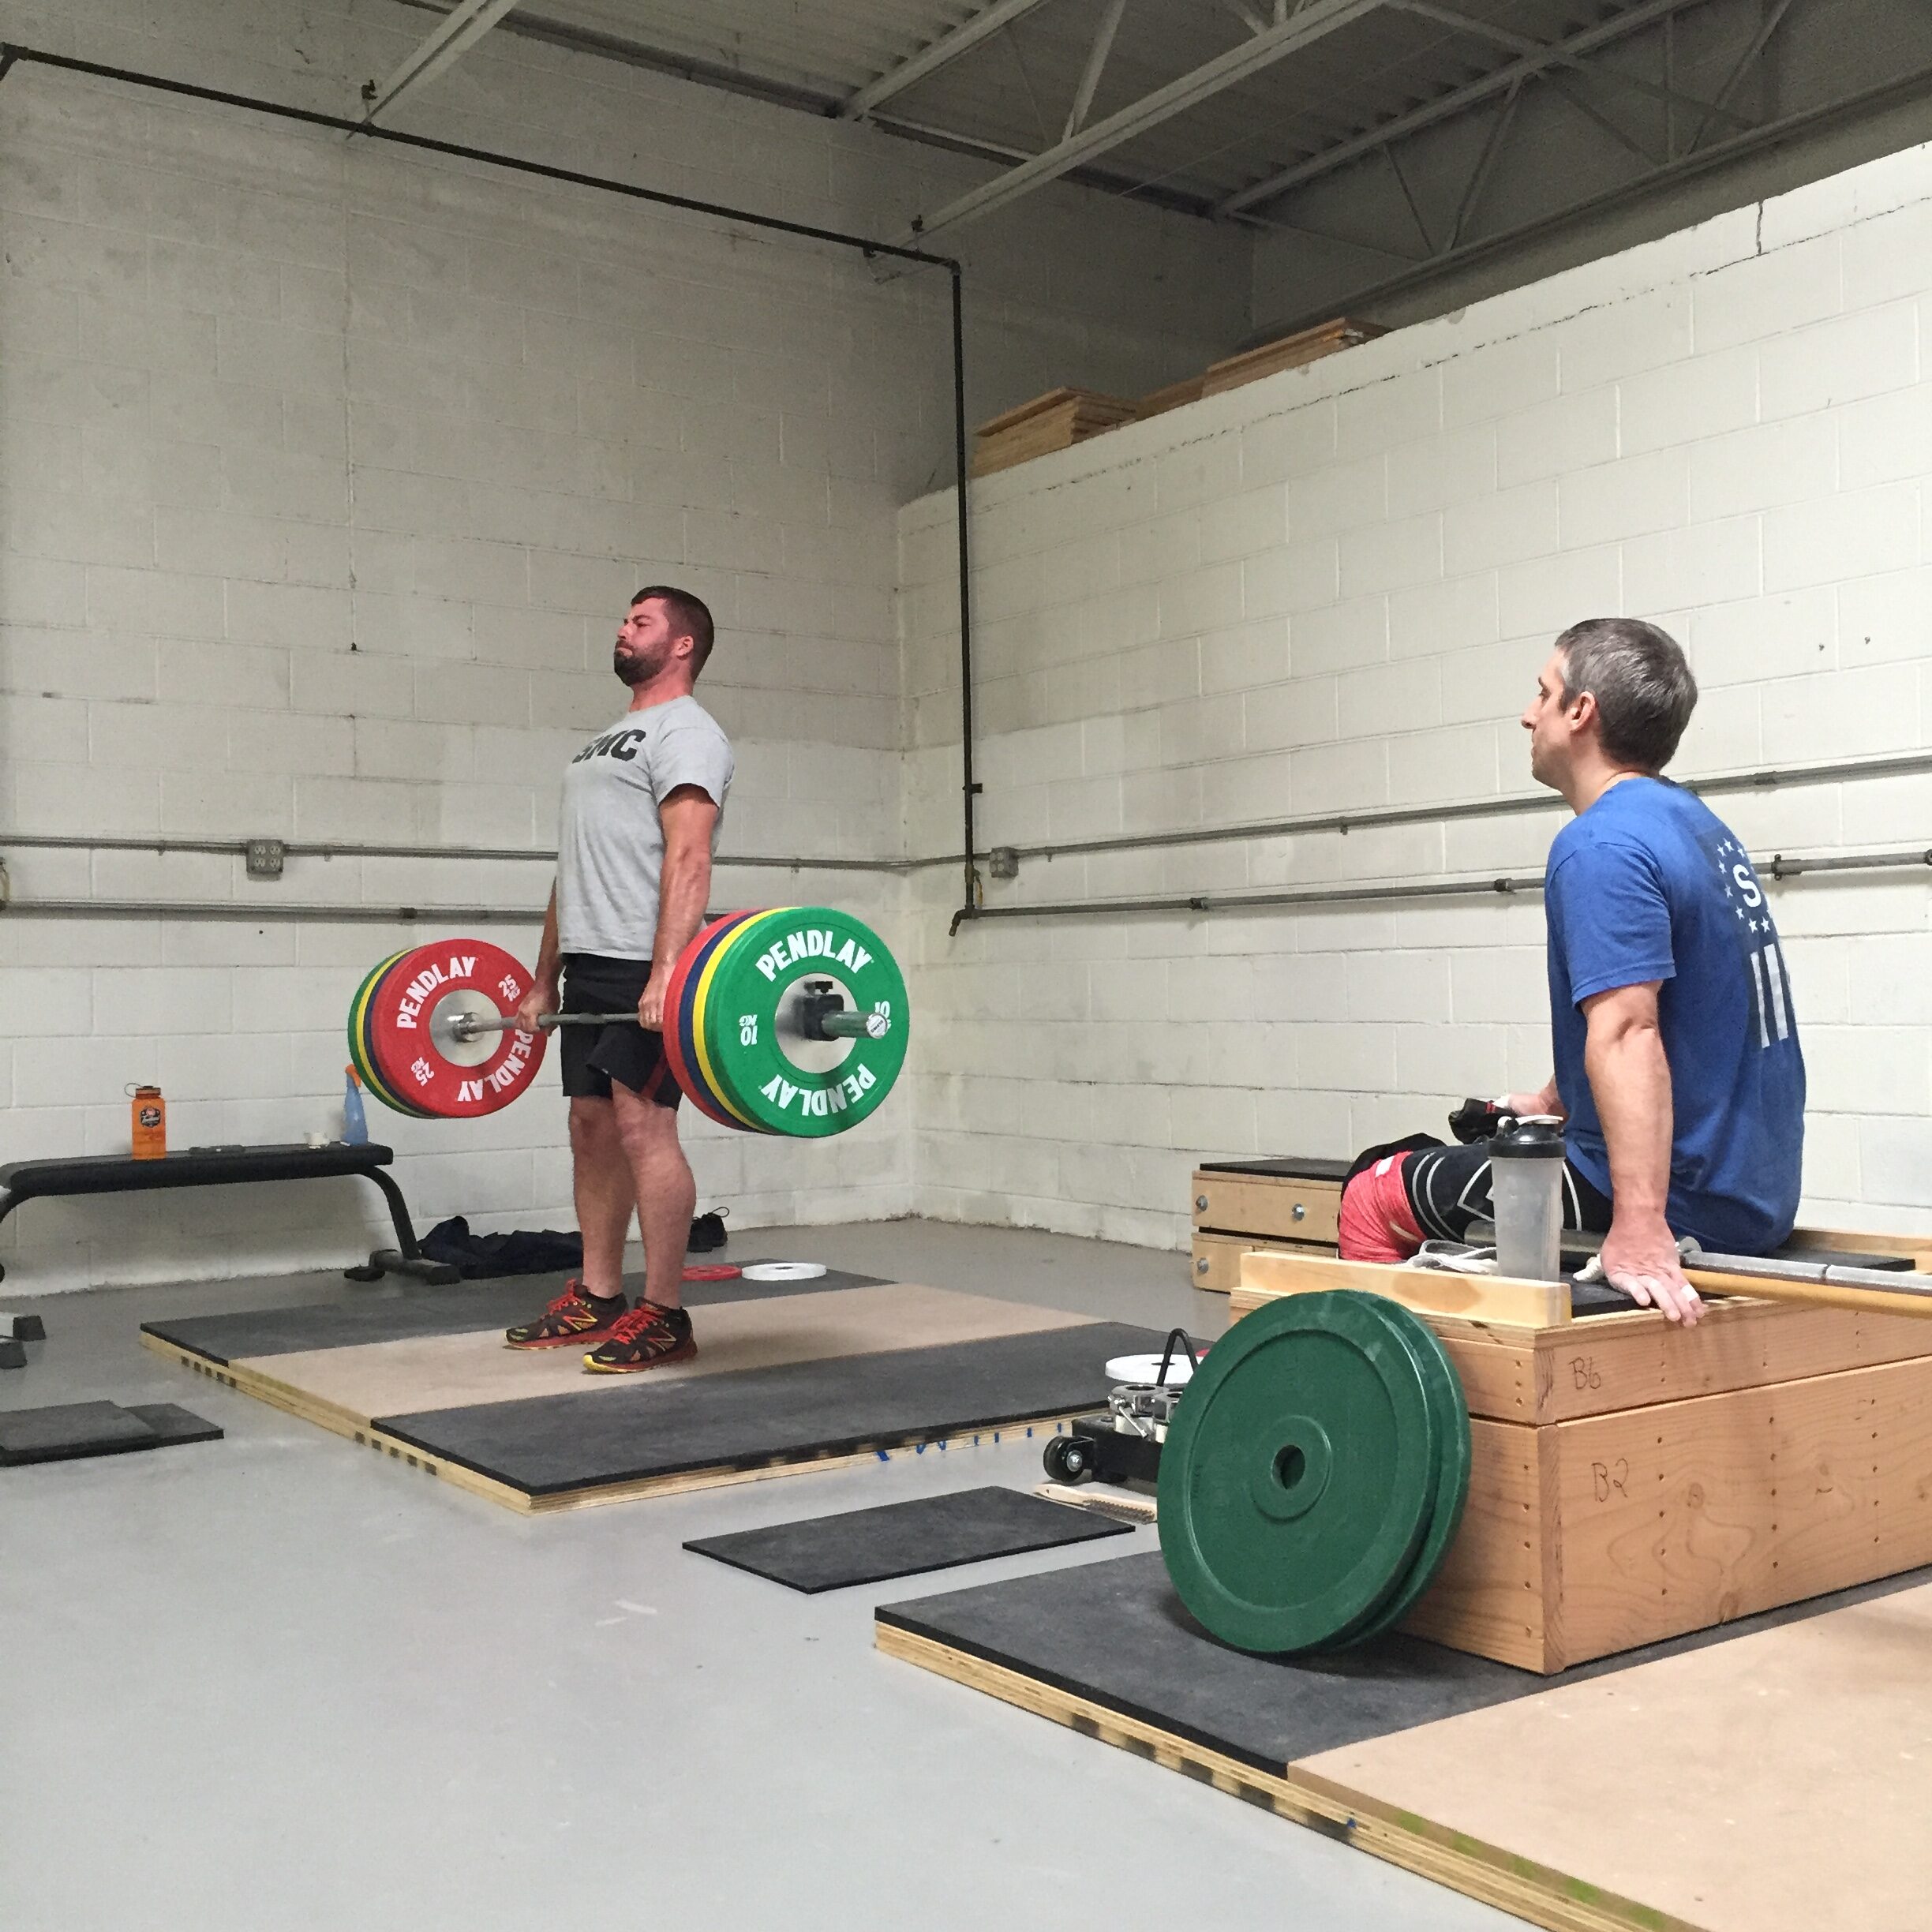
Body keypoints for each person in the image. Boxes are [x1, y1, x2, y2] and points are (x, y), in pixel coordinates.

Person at [1337, 618, 1807, 1327]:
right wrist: (1553, 1099)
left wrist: (1644, 1230)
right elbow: (1688, 1012)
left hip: (1681, 1199)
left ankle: (1388, 1417)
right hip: (1756, 1192)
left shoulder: (1602, 845)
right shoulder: (1695, 825)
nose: (1529, 714)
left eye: (1543, 693)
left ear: (1580, 712)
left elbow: (1627, 1032)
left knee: (1374, 1192)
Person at [502, 586, 733, 1371]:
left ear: (682, 647)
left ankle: (664, 1312)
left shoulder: (689, 733)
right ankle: (598, 1296)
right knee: (591, 1129)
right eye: (624, 619)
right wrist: (544, 978)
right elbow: (573, 871)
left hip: (648, 960)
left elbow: (690, 855)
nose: (623, 630)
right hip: (593, 964)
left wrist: (670, 967)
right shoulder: (605, 741)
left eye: (641, 622)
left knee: (645, 1128)